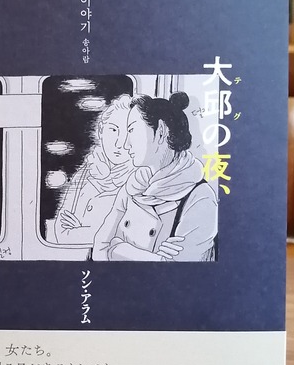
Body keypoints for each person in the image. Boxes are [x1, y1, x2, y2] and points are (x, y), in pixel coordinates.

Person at [92, 91, 217, 261]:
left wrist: (116, 247)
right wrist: (155, 257)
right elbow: (99, 250)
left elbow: (178, 270)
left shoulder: (200, 197)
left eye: (132, 130)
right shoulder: (133, 186)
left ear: (161, 132)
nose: (125, 144)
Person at [53, 95, 134, 244]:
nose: (119, 143)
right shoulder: (86, 170)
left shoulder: (139, 178)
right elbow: (61, 231)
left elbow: (128, 236)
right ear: (101, 130)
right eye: (113, 130)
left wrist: (78, 230)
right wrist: (93, 231)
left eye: (128, 133)